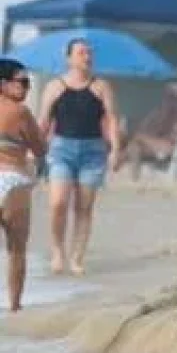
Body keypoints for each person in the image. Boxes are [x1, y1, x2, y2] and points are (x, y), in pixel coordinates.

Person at [37, 38, 123, 275]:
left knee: (84, 207)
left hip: (93, 152)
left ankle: (77, 257)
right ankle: (58, 252)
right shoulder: (54, 87)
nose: (87, 57)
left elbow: (112, 119)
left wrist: (116, 149)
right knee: (58, 203)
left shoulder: (101, 87)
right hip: (61, 150)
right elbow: (44, 121)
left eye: (90, 53)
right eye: (82, 53)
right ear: (69, 58)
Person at [0, 60, 46, 311]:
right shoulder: (20, 112)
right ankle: (14, 307)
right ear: (3, 84)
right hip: (11, 179)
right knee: (16, 249)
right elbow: (40, 148)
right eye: (23, 82)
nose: (27, 88)